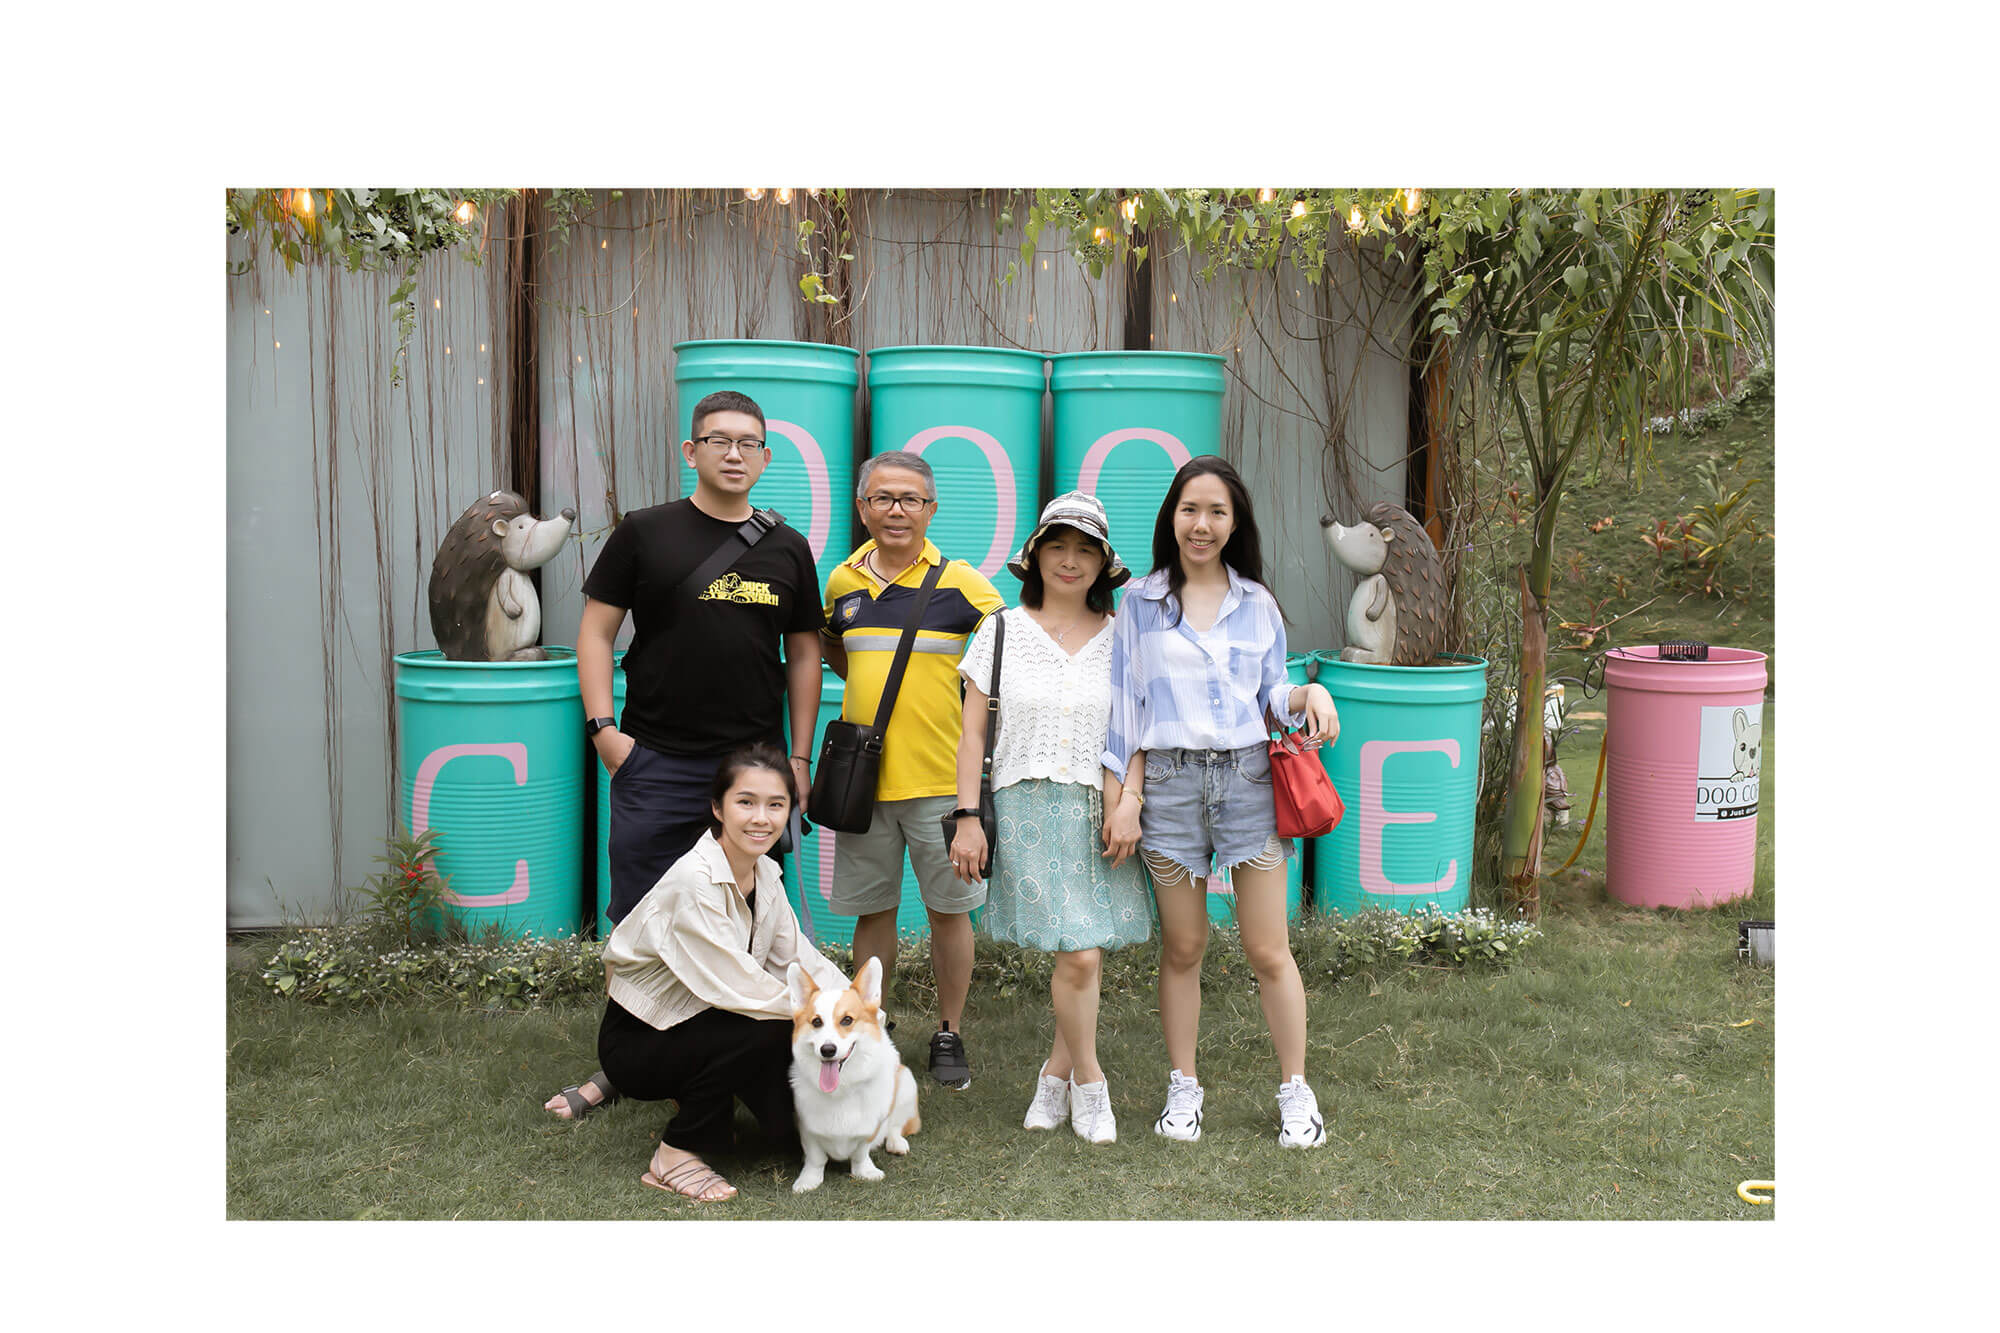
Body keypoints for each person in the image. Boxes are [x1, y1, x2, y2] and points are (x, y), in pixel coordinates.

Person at [545, 389, 824, 1120]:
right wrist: (605, 731)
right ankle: (624, 1063)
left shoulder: (788, 548)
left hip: (752, 773)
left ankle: (727, 1055)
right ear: (690, 451)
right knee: (642, 916)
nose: (734, 453)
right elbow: (595, 633)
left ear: (765, 457)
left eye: (748, 443)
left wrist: (797, 760)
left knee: (747, 917)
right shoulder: (645, 532)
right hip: (657, 761)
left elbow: (804, 655)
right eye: (719, 440)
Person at [1100, 456, 1342, 1149]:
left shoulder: (1257, 602)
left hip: (1247, 783)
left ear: (1235, 524)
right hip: (1169, 787)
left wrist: (1311, 691)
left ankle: (1296, 1090)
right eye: (1190, 510)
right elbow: (1126, 711)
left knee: (1269, 949)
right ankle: (1184, 1085)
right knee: (1184, 946)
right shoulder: (1139, 603)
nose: (1201, 524)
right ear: (1171, 517)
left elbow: (1271, 694)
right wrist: (1125, 798)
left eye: (1216, 512)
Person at [947, 492, 1151, 1145]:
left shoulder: (1123, 637)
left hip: (1099, 809)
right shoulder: (1000, 631)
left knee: (1080, 953)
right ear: (1035, 556)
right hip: (1026, 807)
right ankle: (1090, 1081)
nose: (1070, 560)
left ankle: (1057, 1076)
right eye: (1057, 547)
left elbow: (1136, 731)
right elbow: (971, 736)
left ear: (1103, 564)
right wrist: (967, 815)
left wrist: (1130, 800)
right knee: (1078, 952)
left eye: (1085, 550)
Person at [594, 744, 850, 1201]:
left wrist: (859, 1012)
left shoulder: (766, 873)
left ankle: (728, 1111)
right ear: (718, 808)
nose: (761, 818)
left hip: (709, 1018)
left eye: (776, 805)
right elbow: (739, 988)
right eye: (745, 802)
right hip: (640, 1038)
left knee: (817, 1144)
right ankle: (675, 1152)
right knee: (769, 1029)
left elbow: (798, 961)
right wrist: (826, 1019)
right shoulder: (694, 880)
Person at [821, 450, 1003, 1089]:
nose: (896, 510)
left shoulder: (965, 585)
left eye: (910, 500)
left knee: (949, 913)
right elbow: (839, 656)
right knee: (872, 913)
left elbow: (1003, 663)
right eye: (883, 498)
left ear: (931, 509)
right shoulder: (841, 582)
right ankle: (869, 1025)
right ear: (862, 507)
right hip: (862, 785)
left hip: (942, 786)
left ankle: (949, 1031)